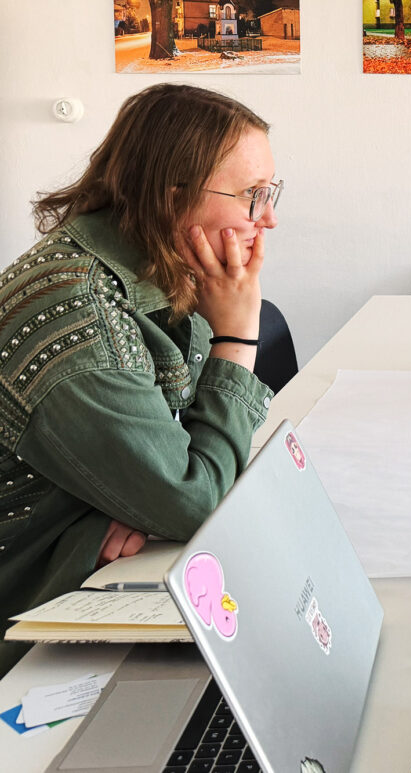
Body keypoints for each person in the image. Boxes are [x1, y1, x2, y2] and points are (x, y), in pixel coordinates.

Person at [0, 84, 282, 676]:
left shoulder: (152, 268)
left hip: (104, 575)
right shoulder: (86, 324)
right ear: (171, 195)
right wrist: (237, 336)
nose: (269, 219)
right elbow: (196, 500)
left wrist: (147, 493)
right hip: (33, 633)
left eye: (270, 193)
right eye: (252, 195)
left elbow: (182, 458)